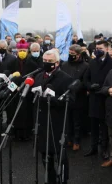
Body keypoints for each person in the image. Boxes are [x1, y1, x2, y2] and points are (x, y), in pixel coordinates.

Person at [33, 49, 73, 184]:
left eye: (49, 62)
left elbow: (70, 101)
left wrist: (50, 99)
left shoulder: (66, 78)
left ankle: (63, 179)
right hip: (41, 121)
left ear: (57, 63)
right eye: (44, 61)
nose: (46, 63)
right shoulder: (39, 76)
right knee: (44, 154)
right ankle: (50, 179)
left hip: (57, 122)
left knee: (60, 155)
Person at [83, 40, 112, 159]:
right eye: (96, 48)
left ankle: (104, 148)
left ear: (107, 49)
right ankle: (93, 147)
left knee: (104, 126)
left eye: (100, 48)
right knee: (93, 125)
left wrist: (105, 89)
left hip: (106, 98)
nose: (98, 50)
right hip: (93, 97)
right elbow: (86, 78)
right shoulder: (92, 62)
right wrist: (89, 86)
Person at [61, 44, 89, 151]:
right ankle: (69, 138)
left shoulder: (85, 66)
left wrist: (76, 87)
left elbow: (85, 81)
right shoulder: (64, 64)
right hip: (67, 95)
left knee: (77, 120)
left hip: (78, 97)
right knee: (67, 120)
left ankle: (77, 140)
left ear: (78, 55)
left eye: (72, 54)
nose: (70, 55)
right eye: (69, 53)